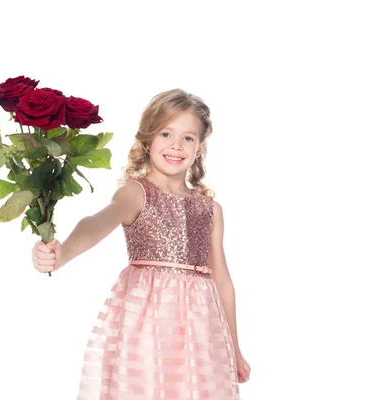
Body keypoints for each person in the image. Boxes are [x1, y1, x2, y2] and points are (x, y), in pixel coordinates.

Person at [31, 89, 251, 399]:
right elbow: (96, 223)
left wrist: (234, 347)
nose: (176, 144)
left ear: (200, 147)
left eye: (188, 138)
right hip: (148, 324)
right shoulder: (136, 193)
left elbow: (223, 281)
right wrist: (62, 253)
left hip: (201, 332)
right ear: (148, 139)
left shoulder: (210, 209)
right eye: (166, 133)